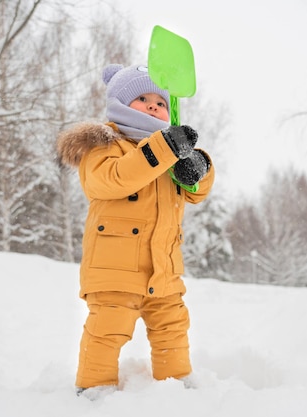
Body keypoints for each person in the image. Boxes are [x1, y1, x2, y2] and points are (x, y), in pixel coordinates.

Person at [56, 64, 215, 397]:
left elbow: (195, 194)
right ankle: (94, 391)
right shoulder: (105, 147)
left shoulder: (169, 156)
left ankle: (177, 388)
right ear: (121, 104)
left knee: (173, 328)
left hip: (164, 271)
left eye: (159, 100)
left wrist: (197, 168)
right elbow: (114, 179)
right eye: (143, 98)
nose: (154, 105)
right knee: (107, 330)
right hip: (114, 271)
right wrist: (163, 149)